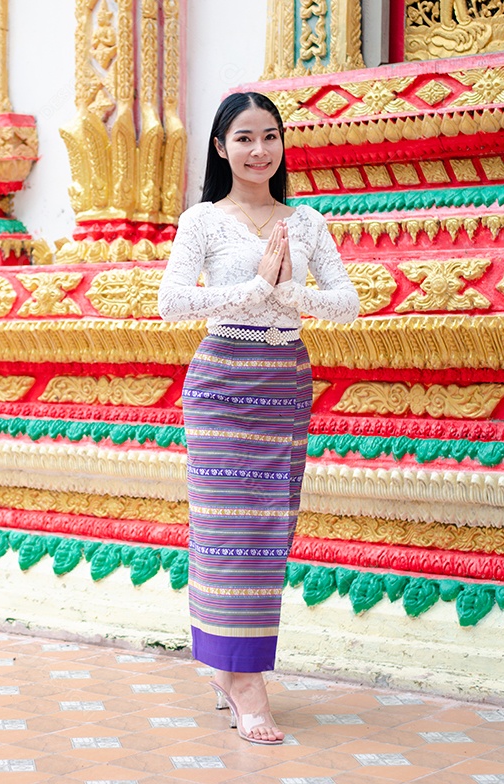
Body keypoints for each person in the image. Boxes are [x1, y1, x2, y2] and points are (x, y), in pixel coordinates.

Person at [157, 91, 360, 745]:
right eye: (243, 138)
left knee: (267, 534)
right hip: (220, 383)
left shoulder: (305, 222)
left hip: (283, 382)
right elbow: (172, 304)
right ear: (221, 148)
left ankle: (227, 667)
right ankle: (244, 682)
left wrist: (286, 290)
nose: (258, 149)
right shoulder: (203, 222)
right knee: (223, 533)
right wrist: (253, 290)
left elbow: (347, 305)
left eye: (269, 136)